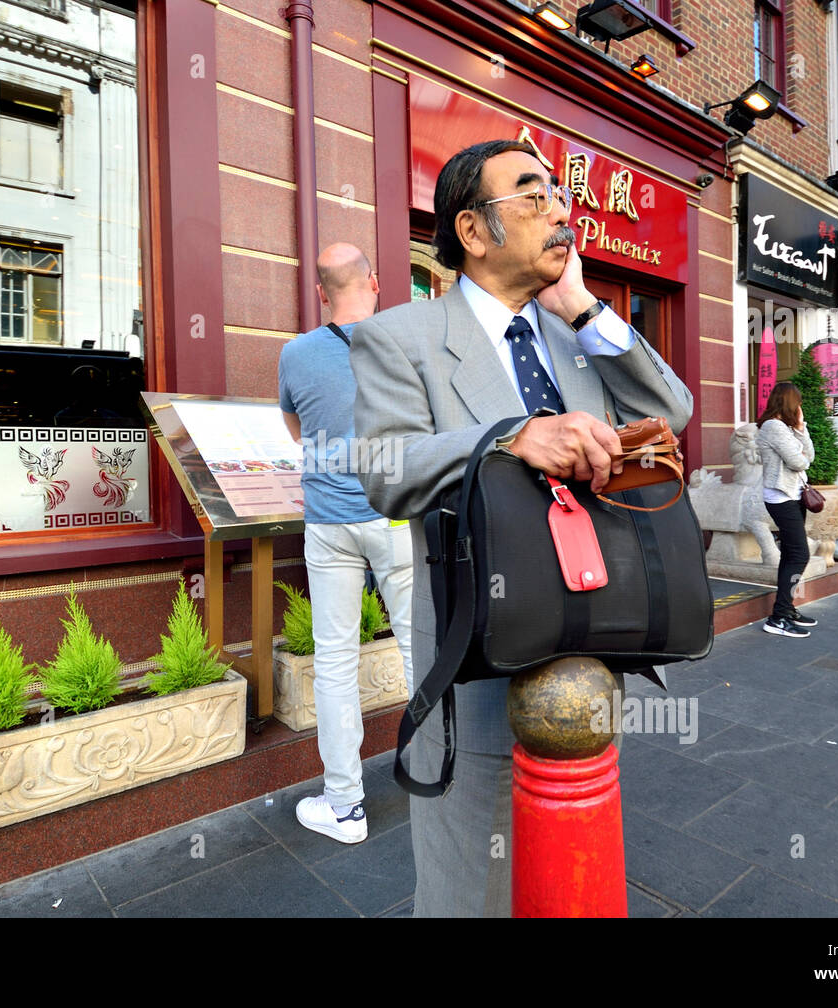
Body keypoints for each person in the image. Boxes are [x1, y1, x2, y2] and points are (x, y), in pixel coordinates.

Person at [350, 139, 693, 916]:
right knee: (471, 870)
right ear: (473, 231)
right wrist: (508, 435)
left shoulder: (578, 334)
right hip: (477, 646)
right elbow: (381, 468)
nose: (558, 210)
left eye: (559, 197)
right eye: (532, 195)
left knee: (566, 851)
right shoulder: (401, 337)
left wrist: (580, 305)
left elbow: (670, 412)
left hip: (590, 627)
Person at [278, 242, 415, 844]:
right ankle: (447, 778)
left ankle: (345, 805)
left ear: (320, 293)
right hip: (398, 515)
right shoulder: (407, 339)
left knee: (335, 663)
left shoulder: (295, 353)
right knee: (422, 647)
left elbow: (296, 428)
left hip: (329, 521)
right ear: (377, 282)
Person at [755, 381, 817, 638]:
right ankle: (778, 617)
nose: (800, 407)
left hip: (793, 496)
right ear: (790, 402)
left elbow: (809, 456)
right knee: (800, 555)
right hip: (781, 498)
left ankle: (786, 608)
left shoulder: (788, 428)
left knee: (791, 555)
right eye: (798, 402)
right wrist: (800, 453)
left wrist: (801, 429)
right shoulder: (773, 427)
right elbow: (797, 461)